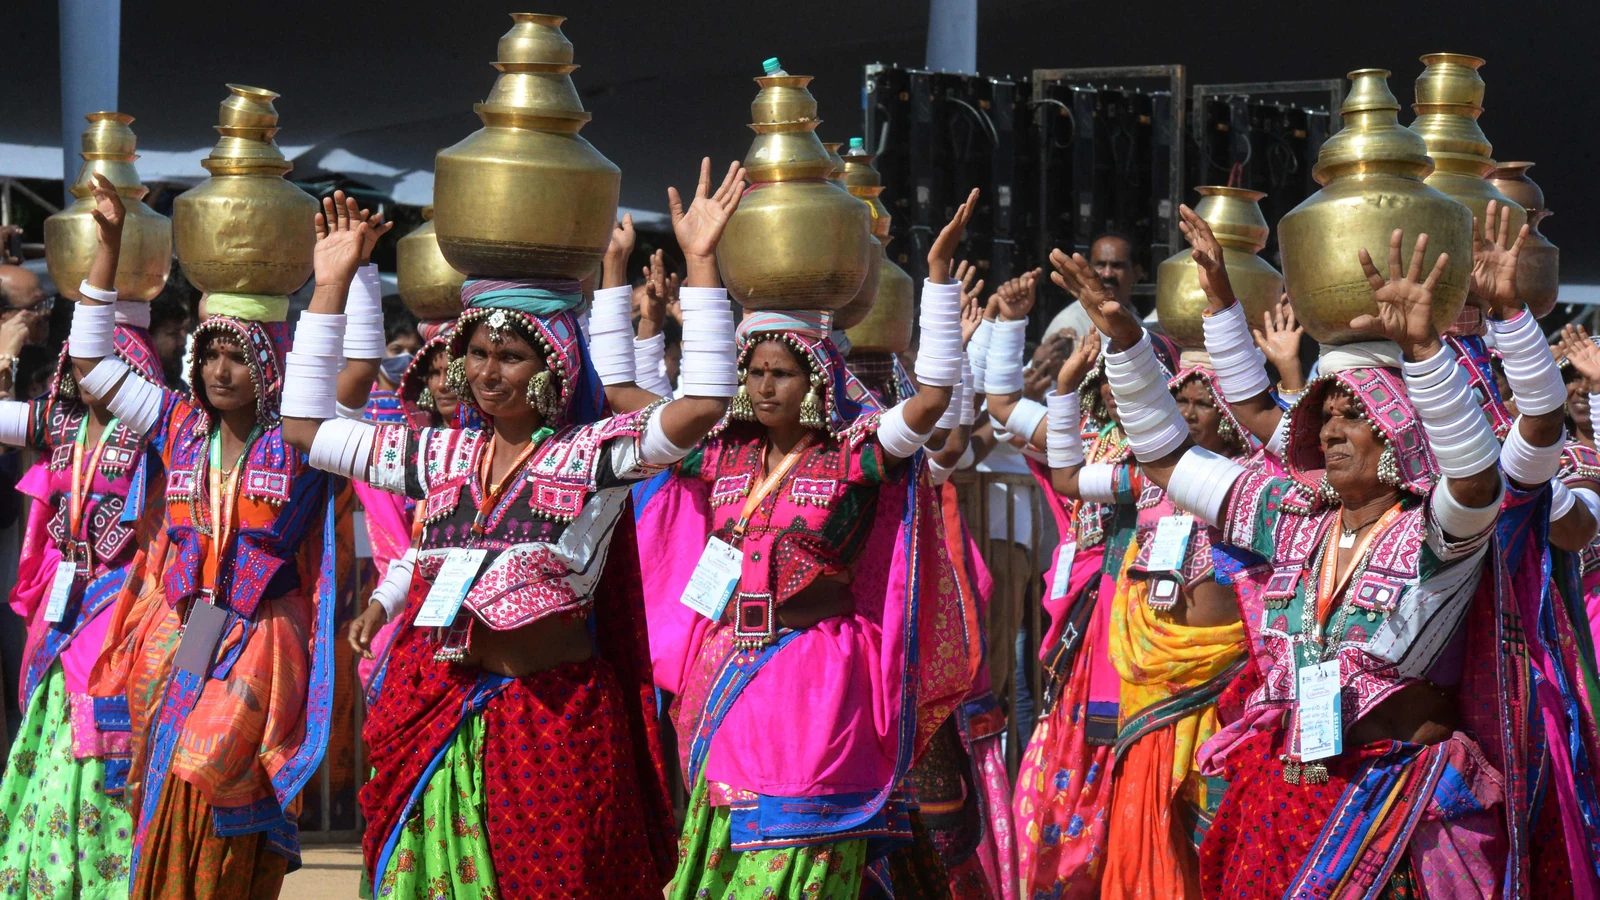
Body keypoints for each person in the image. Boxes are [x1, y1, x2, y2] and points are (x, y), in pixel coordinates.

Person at [1058, 210, 1596, 895]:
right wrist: (1128, 343)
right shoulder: (1293, 519)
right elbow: (1166, 459)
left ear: (1397, 434)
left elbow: (1480, 476)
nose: (1335, 430)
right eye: (1328, 419)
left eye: (1355, 418)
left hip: (1403, 810)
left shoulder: (1434, 535)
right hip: (1291, 795)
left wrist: (1431, 354)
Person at [280, 159, 747, 899]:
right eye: (477, 353)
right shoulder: (438, 454)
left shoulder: (591, 456)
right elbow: (305, 428)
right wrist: (331, 284)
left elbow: (701, 407)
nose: (488, 371)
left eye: (511, 354)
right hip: (438, 716)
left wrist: (700, 262)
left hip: (552, 727)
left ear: (553, 364)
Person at [638, 191, 979, 899]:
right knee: (726, 844)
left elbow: (930, 403)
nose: (765, 387)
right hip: (731, 667)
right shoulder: (722, 459)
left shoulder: (854, 456)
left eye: (782, 373)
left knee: (801, 844)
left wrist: (939, 281)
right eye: (755, 372)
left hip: (818, 676)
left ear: (816, 379)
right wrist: (701, 263)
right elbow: (628, 400)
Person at [73, 178, 355, 899]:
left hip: (262, 637)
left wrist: (332, 285)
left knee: (216, 775)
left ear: (269, 366)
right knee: (166, 782)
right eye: (208, 356)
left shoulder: (304, 439)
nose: (219, 372)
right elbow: (93, 370)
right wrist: (106, 250)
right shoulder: (177, 423)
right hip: (181, 629)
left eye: (238, 357)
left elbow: (330, 380)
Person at [0, 173, 168, 899]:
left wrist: (108, 250)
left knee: (106, 758)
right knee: (50, 758)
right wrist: (9, 354)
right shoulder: (60, 426)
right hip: (61, 618)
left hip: (126, 621)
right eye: (78, 365)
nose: (87, 375)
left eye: (108, 366)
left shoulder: (168, 434)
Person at [1043, 232, 1145, 341]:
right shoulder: (1070, 322)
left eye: (1117, 265)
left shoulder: (1138, 323)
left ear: (1137, 272)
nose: (1107, 274)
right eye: (1100, 265)